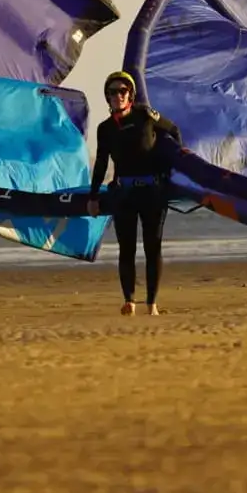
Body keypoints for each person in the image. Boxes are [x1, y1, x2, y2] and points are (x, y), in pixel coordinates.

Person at [87, 70, 181, 316]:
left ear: (130, 94)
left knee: (153, 247)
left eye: (122, 91)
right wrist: (93, 196)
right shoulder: (105, 128)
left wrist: (173, 173)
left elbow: (174, 131)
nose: (117, 95)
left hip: (153, 193)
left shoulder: (145, 116)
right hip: (124, 193)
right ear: (107, 98)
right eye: (112, 92)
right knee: (126, 248)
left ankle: (151, 304)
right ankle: (129, 300)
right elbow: (101, 164)